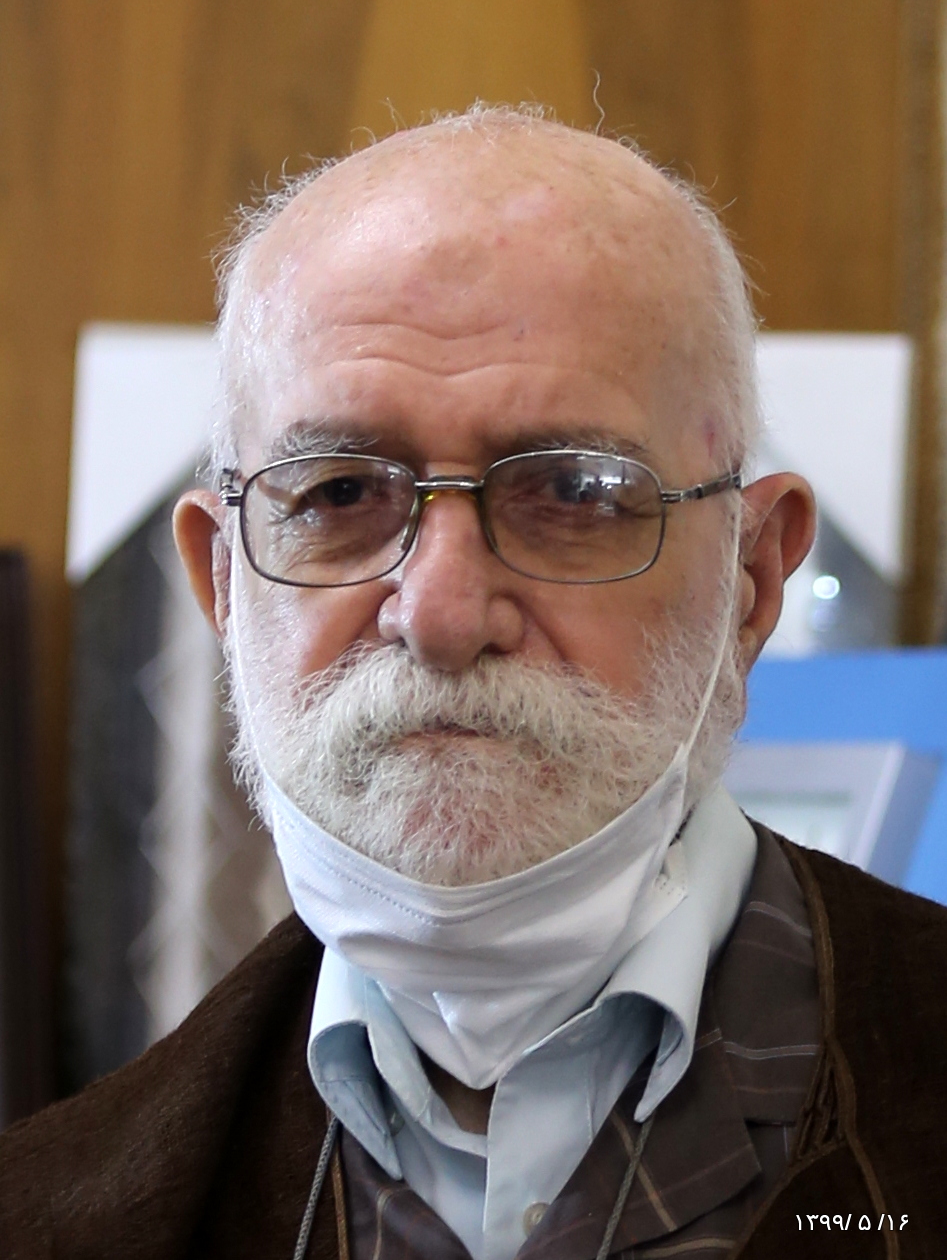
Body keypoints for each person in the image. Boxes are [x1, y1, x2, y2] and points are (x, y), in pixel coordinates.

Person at [3, 106, 947, 1260]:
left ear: (750, 579)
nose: (441, 614)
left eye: (573, 491)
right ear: (223, 584)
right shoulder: (49, 1217)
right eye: (339, 494)